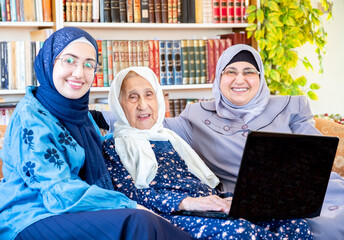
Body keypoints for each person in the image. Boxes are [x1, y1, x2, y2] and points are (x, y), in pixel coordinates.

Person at [0, 27, 192, 240]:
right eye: (69, 60)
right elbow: (58, 190)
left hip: (72, 212)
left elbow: (111, 158)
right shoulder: (31, 117)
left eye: (88, 65)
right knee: (139, 221)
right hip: (27, 218)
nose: (79, 73)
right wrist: (131, 205)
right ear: (49, 62)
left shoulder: (82, 117)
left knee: (157, 220)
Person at [102, 66, 314, 239]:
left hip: (209, 203)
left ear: (158, 98)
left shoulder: (171, 137)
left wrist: (234, 199)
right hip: (171, 214)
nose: (143, 105)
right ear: (119, 105)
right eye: (132, 97)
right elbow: (129, 196)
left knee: (295, 224)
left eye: (149, 95)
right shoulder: (112, 146)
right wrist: (185, 202)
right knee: (241, 232)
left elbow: (201, 181)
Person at [162, 44, 344, 239]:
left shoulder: (291, 107)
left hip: (308, 192)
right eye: (230, 72)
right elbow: (149, 125)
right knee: (319, 227)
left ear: (260, 77)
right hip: (251, 204)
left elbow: (317, 156)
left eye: (249, 72)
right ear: (219, 77)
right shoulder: (195, 116)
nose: (239, 79)